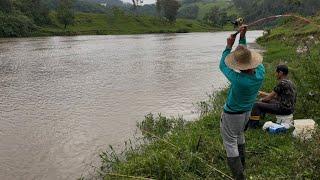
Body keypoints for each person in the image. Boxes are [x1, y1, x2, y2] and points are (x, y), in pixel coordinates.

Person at [219, 26, 265, 180]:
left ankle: (239, 176)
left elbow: (222, 65)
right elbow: (246, 57)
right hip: (246, 112)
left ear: (238, 65)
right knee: (239, 135)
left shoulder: (239, 80)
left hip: (232, 114)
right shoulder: (260, 73)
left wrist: (228, 46)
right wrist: (242, 37)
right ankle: (242, 166)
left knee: (230, 142)